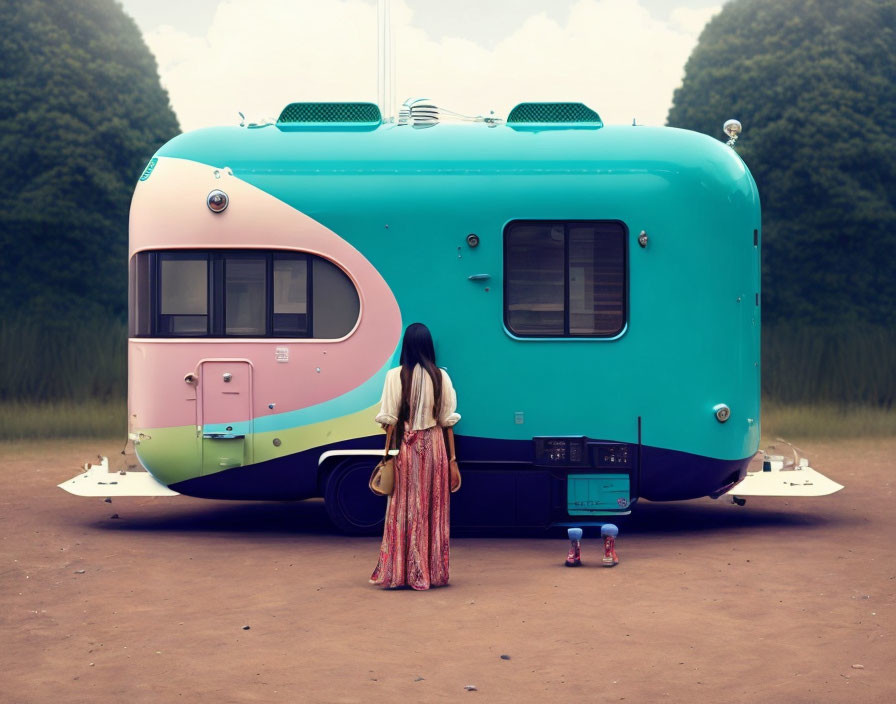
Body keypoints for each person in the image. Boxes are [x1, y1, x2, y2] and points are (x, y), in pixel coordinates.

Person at [369, 322, 461, 590]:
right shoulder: (441, 377)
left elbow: (387, 420)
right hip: (436, 449)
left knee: (405, 508)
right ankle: (432, 572)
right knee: (434, 507)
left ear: (406, 346)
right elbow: (448, 422)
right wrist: (453, 461)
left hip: (409, 448)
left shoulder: (395, 376)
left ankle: (403, 571)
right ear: (429, 346)